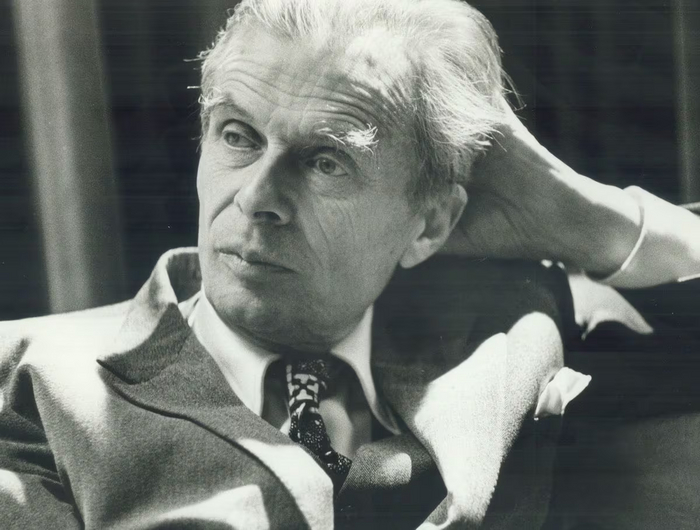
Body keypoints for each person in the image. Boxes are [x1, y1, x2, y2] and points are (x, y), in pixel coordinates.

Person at [0, 0, 698, 528]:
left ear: (431, 223)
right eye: (238, 135)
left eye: (325, 162)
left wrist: (587, 219)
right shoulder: (32, 383)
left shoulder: (506, 335)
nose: (256, 198)